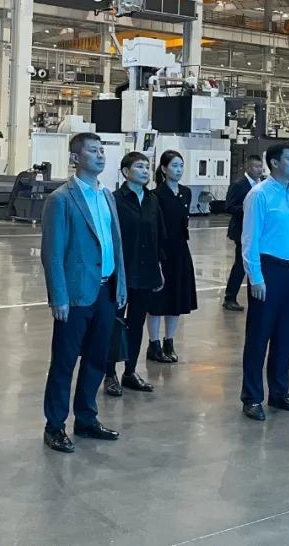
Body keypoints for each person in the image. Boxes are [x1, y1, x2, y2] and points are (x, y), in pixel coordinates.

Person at [40, 133, 127, 454]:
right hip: (76, 295)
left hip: (106, 291)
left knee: (96, 359)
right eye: (93, 151)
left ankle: (86, 418)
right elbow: (52, 253)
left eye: (102, 150)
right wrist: (58, 296)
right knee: (64, 363)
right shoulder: (61, 199)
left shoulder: (107, 196)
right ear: (76, 158)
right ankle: (54, 426)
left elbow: (116, 244)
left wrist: (121, 284)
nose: (101, 155)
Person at [240, 142, 289, 421]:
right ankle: (252, 397)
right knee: (259, 337)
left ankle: (280, 393)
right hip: (269, 271)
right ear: (275, 163)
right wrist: (255, 277)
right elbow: (250, 239)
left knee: (285, 336)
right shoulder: (259, 195)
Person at [104, 151, 164, 395]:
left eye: (147, 167)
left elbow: (158, 236)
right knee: (115, 322)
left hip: (146, 271)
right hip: (121, 271)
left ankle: (130, 372)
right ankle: (109, 373)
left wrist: (159, 268)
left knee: (137, 322)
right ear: (126, 172)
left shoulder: (152, 200)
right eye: (139, 166)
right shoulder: (114, 200)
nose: (145, 171)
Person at [147, 150, 198, 363]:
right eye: (174, 166)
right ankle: (154, 344)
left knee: (176, 298)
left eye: (181, 166)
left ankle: (169, 341)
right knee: (157, 301)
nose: (179, 170)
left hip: (180, 251)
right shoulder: (155, 195)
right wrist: (156, 258)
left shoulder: (186, 192)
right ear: (164, 169)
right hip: (162, 250)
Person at [222, 155, 264, 311]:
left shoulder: (262, 184)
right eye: (255, 167)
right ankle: (229, 297)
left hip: (258, 231)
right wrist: (248, 208)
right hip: (241, 231)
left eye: (260, 166)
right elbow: (229, 206)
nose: (259, 170)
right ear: (248, 167)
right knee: (240, 264)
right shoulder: (239, 185)